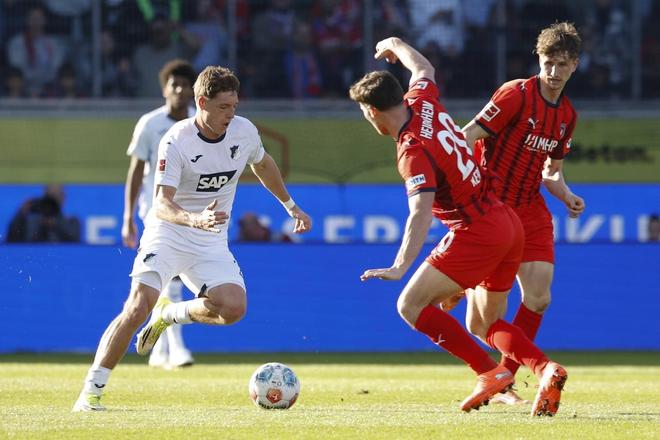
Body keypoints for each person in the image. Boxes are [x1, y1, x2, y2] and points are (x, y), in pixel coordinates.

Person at [73, 65, 312, 412]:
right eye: (223, 107)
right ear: (202, 102)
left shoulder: (243, 131)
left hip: (210, 240)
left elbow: (262, 164)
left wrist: (291, 206)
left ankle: (171, 313)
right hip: (168, 233)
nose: (231, 114)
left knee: (233, 308)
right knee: (137, 306)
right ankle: (91, 391)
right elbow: (162, 203)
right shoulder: (177, 140)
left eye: (234, 106)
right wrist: (194, 218)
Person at [349, 37, 567, 416]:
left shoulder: (412, 151)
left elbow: (420, 213)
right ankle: (546, 369)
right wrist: (397, 44)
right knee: (483, 324)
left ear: (371, 112)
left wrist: (400, 266)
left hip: (476, 231)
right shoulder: (422, 101)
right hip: (506, 221)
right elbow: (423, 69)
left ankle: (489, 373)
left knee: (410, 305)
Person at [452, 21, 584, 405]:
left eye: (562, 64)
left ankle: (507, 377)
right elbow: (468, 135)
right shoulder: (515, 95)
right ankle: (509, 372)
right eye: (547, 63)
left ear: (574, 65)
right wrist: (458, 181)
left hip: (530, 209)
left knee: (539, 298)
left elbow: (551, 172)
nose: (554, 72)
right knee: (479, 323)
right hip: (492, 210)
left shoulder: (567, 115)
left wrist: (567, 195)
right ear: (538, 60)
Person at [121, 59, 197, 370]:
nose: (179, 90)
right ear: (164, 89)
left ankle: (159, 349)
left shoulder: (200, 122)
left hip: (192, 210)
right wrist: (128, 217)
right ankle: (177, 347)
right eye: (173, 85)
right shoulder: (150, 124)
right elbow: (136, 171)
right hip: (158, 209)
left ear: (193, 91)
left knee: (170, 276)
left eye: (185, 85)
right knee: (170, 273)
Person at [6, 184, 80, 243]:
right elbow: (11, 239)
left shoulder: (71, 221)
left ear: (63, 197)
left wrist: (56, 223)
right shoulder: (30, 220)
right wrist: (21, 213)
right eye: (50, 196)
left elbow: (75, 242)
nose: (52, 202)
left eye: (57, 196)